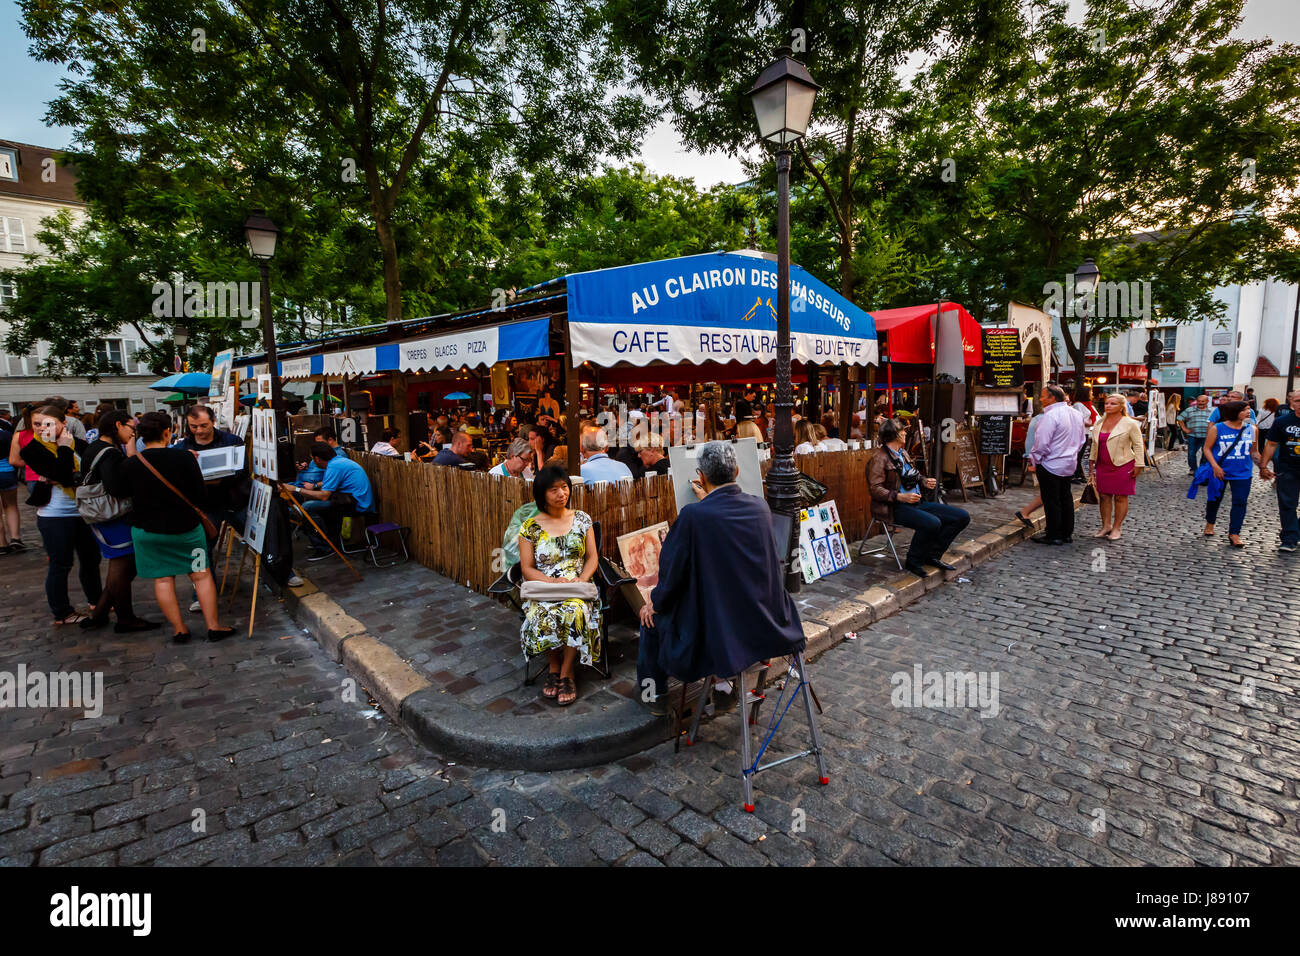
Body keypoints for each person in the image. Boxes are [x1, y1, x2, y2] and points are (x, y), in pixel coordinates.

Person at [636, 441, 807, 716]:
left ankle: (651, 693)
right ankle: (723, 686)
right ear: (737, 471)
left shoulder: (693, 517)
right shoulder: (760, 508)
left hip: (720, 633)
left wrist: (654, 603)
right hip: (767, 623)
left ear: (701, 476)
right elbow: (725, 526)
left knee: (649, 619)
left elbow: (671, 574)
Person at [121, 411, 233, 643]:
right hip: (186, 531)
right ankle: (213, 626)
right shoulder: (184, 458)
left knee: (163, 579)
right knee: (201, 576)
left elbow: (121, 492)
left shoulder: (131, 463)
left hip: (147, 531)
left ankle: (179, 629)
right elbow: (200, 495)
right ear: (167, 432)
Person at [517, 464, 601, 707]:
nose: (561, 494)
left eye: (564, 487)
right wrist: (552, 581)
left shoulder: (582, 519)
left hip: (577, 585)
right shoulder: (529, 527)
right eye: (554, 489)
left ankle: (566, 672)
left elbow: (592, 558)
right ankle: (553, 665)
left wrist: (582, 578)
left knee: (574, 611)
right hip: (544, 586)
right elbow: (527, 568)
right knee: (540, 614)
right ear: (542, 493)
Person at [18, 405, 103, 625]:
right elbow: (63, 473)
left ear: (63, 423)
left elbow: (92, 473)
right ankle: (62, 612)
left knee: (91, 559)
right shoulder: (31, 450)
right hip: (54, 514)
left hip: (85, 510)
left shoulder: (81, 444)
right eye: (36, 424)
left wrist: (65, 473)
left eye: (48, 423)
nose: (41, 428)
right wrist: (64, 451)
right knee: (61, 563)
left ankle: (97, 601)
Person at [80, 410, 159, 632]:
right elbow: (116, 488)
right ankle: (125, 618)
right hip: (112, 516)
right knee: (121, 565)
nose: (133, 434)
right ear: (117, 425)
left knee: (123, 566)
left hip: (103, 515)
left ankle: (100, 613)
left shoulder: (96, 447)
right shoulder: (110, 453)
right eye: (131, 428)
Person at [867, 418, 971, 576]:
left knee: (961, 517)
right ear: (894, 435)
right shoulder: (878, 458)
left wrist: (924, 481)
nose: (905, 432)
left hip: (916, 502)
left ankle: (932, 555)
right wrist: (900, 497)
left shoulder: (903, 453)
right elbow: (875, 489)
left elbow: (912, 476)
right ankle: (913, 561)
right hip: (894, 507)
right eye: (902, 430)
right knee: (932, 523)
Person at [287, 441, 376, 558]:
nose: (312, 461)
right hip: (350, 499)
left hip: (358, 504)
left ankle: (325, 548)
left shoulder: (334, 466)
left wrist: (296, 489)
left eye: (312, 458)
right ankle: (328, 540)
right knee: (312, 505)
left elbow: (324, 496)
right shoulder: (336, 461)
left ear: (317, 459)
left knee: (308, 507)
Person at [1028, 383, 1087, 545]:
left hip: (1050, 463)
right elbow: (1082, 440)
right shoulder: (1076, 414)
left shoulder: (1051, 416)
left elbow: (1041, 443)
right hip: (1068, 463)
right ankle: (1066, 533)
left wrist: (1035, 459)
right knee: (1065, 498)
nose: (1040, 399)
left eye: (1043, 396)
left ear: (1052, 398)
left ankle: (1054, 534)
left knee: (1051, 499)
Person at [1201, 400, 1260, 547]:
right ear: (1235, 412)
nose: (1248, 412)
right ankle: (1210, 522)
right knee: (1214, 499)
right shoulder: (1217, 428)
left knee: (1240, 502)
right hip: (1220, 471)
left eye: (1249, 409)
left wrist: (1263, 466)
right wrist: (1215, 466)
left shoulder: (1252, 429)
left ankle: (1234, 533)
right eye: (1244, 409)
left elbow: (1254, 452)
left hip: (1243, 473)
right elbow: (1206, 449)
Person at [1087, 393, 1145, 541]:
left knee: (1120, 497)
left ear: (1121, 407)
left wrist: (1139, 464)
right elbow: (1095, 445)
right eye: (1107, 403)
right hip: (1103, 465)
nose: (1108, 406)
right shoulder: (1100, 422)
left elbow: (1138, 445)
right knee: (1104, 496)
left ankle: (1117, 527)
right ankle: (1106, 525)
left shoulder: (1130, 423)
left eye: (1113, 404)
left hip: (1123, 464)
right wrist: (1091, 463)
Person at [1258, 389, 1300, 553]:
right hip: (1288, 468)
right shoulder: (1282, 421)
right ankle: (1289, 538)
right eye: (1297, 401)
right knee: (1287, 504)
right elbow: (1271, 444)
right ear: (1291, 403)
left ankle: (1295, 529)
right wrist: (1263, 466)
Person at [0, 412, 22, 554]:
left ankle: (1, 543)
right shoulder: (5, 434)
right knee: (11, 505)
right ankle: (15, 538)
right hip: (6, 472)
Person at [1178, 393, 1212, 472]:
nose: (1200, 403)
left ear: (1207, 401)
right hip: (1193, 435)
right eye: (1199, 401)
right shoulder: (1190, 410)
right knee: (1191, 453)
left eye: (1203, 401)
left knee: (1205, 454)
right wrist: (1185, 429)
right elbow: (1180, 418)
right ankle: (1193, 469)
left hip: (1207, 436)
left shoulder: (1212, 411)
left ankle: (1201, 469)